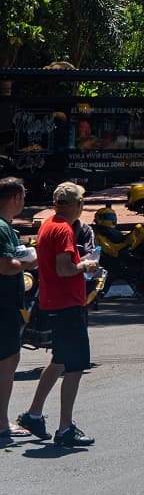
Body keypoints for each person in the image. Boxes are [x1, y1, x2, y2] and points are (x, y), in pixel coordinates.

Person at [16, 182, 98, 446]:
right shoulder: (63, 229)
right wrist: (85, 265)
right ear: (77, 205)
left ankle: (34, 413)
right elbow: (65, 268)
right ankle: (65, 428)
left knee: (60, 360)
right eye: (82, 202)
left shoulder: (48, 224)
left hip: (54, 302)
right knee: (75, 366)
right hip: (67, 305)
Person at [1, 178, 37, 443]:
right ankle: (2, 423)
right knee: (8, 361)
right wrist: (29, 262)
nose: (24, 202)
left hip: (7, 304)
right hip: (4, 305)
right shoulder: (2, 228)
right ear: (14, 198)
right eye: (23, 197)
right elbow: (4, 265)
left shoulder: (6, 228)